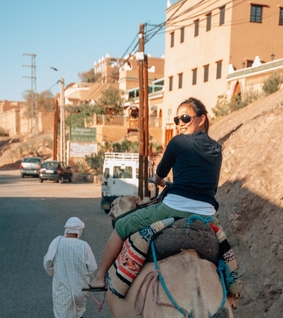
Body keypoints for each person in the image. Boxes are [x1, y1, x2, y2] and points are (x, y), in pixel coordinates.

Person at [86, 97, 225, 291]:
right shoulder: (218, 149)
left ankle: (99, 278)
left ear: (201, 119)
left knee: (122, 226)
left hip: (175, 207)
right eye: (177, 120)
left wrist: (161, 182)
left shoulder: (178, 142)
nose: (180, 124)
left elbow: (159, 177)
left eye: (185, 118)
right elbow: (212, 188)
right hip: (207, 213)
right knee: (225, 248)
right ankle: (231, 292)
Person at [43, 216, 97, 318]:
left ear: (67, 229)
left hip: (62, 290)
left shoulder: (56, 242)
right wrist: (87, 276)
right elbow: (92, 267)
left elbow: (47, 262)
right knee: (78, 314)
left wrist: (54, 272)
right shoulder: (84, 245)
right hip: (81, 289)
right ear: (79, 231)